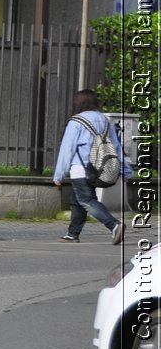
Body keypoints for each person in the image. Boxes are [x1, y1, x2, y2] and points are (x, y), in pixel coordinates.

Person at [52, 88, 132, 245]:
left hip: (81, 169)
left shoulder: (76, 122)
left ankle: (114, 225)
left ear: (78, 103)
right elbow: (116, 147)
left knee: (86, 200)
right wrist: (126, 170)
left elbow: (67, 149)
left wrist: (59, 175)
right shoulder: (105, 120)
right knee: (77, 200)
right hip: (100, 169)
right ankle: (72, 233)